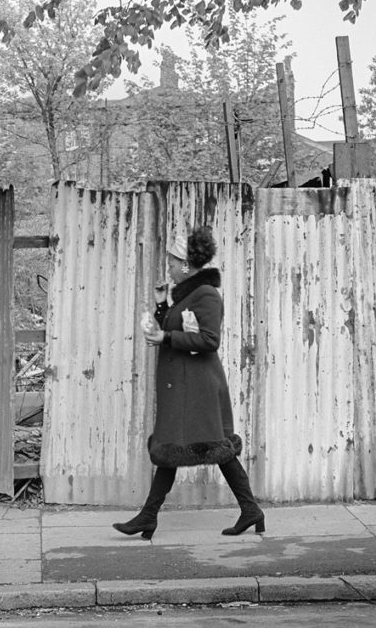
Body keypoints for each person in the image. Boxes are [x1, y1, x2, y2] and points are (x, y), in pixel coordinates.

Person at [113, 226, 264, 540]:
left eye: (171, 262)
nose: (168, 267)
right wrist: (161, 306)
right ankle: (150, 515)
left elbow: (209, 340)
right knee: (174, 447)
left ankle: (247, 510)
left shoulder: (206, 295)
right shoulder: (189, 295)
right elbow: (176, 325)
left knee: (214, 449)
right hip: (185, 386)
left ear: (185, 264)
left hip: (198, 389)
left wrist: (165, 336)